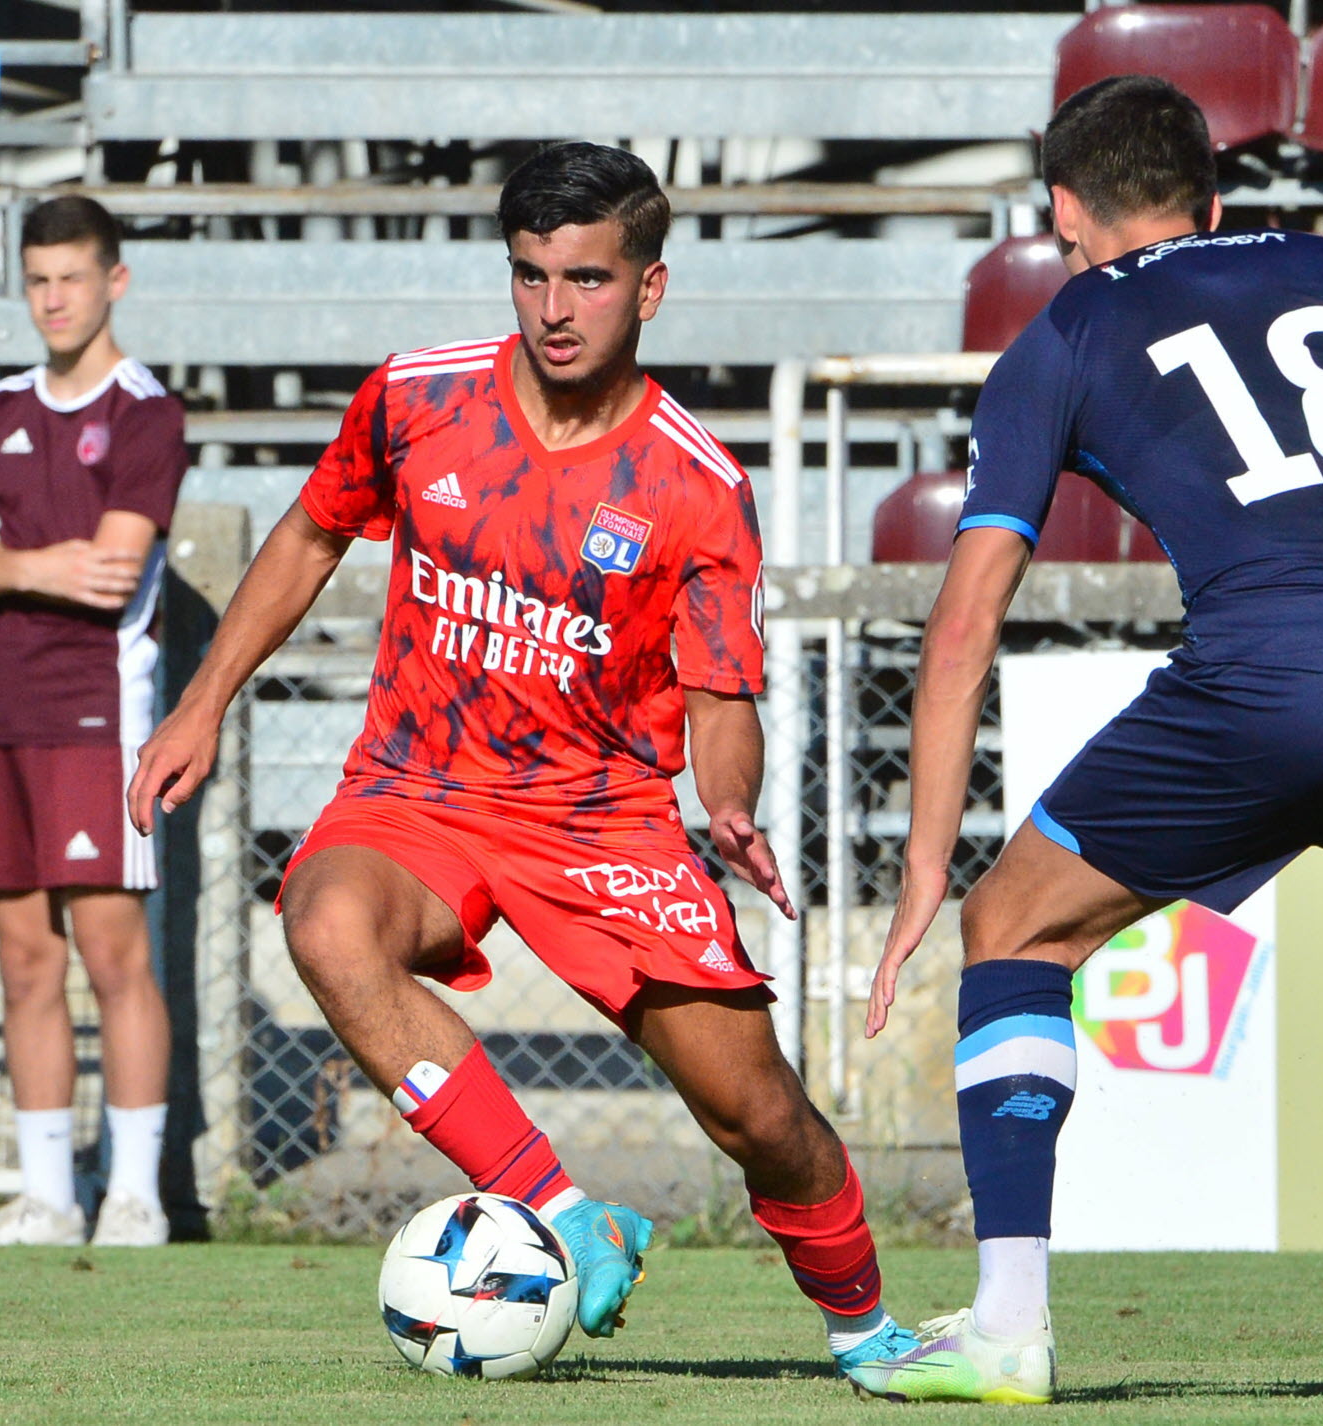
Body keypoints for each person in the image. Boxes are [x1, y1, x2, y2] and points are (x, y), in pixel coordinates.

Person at [127, 141, 916, 1372]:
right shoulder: (415, 397)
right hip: (416, 792)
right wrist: (203, 700)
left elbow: (722, 691)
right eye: (531, 275)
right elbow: (307, 537)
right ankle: (560, 1212)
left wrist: (728, 798)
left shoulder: (694, 484)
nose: (555, 308)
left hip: (602, 820)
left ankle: (870, 1330)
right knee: (330, 924)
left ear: (648, 288)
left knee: (758, 1113)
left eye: (588, 279)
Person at [847, 75, 1323, 1405]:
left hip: (1266, 689)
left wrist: (927, 857)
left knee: (1016, 928)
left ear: (1062, 212)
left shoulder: (1068, 331)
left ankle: (1006, 1325)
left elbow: (964, 622)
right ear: (1214, 197)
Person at [0, 195, 186, 1247]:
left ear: (114, 281)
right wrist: (30, 562)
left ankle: (134, 1194)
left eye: (73, 277)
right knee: (22, 957)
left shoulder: (145, 413)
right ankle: (48, 1195)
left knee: (113, 953)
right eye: (38, 279)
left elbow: (110, 571)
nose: (55, 298)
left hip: (95, 711)